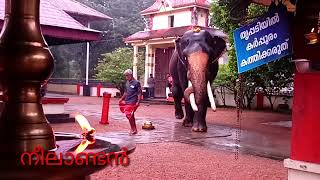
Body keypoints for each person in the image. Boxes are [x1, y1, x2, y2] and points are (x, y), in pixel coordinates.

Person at [118, 69, 142, 135]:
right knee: (131, 115)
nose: (126, 77)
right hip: (127, 101)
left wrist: (138, 102)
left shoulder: (136, 83)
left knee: (128, 114)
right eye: (125, 76)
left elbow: (139, 93)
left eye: (127, 76)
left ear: (131, 75)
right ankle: (134, 129)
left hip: (133, 101)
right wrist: (121, 99)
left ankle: (133, 129)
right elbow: (125, 92)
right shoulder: (127, 83)